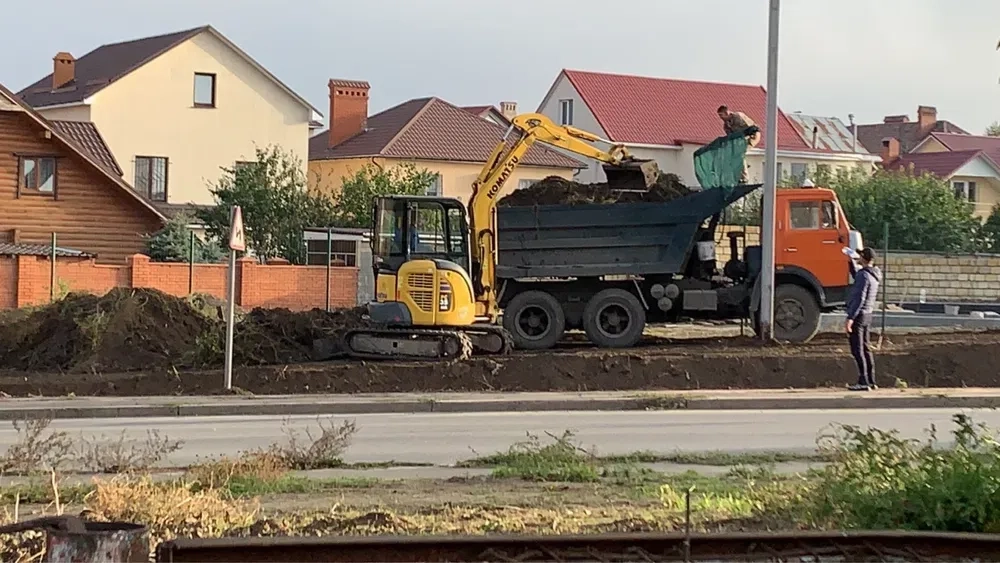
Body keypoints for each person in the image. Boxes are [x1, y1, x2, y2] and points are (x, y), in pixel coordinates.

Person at [844, 247, 882, 391]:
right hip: (868, 314)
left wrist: (850, 318)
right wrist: (851, 262)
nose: (858, 257)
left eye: (860, 255)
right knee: (866, 348)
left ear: (864, 257)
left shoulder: (864, 276)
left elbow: (860, 298)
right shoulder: (874, 274)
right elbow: (858, 275)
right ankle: (871, 380)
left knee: (857, 349)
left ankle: (863, 381)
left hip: (859, 315)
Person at [717, 105, 762, 184]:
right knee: (732, 153)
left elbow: (752, 128)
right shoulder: (726, 125)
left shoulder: (739, 116)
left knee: (740, 153)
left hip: (752, 136)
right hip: (741, 139)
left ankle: (744, 178)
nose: (721, 118)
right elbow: (730, 138)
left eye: (721, 115)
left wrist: (744, 137)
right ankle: (740, 169)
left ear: (727, 113)